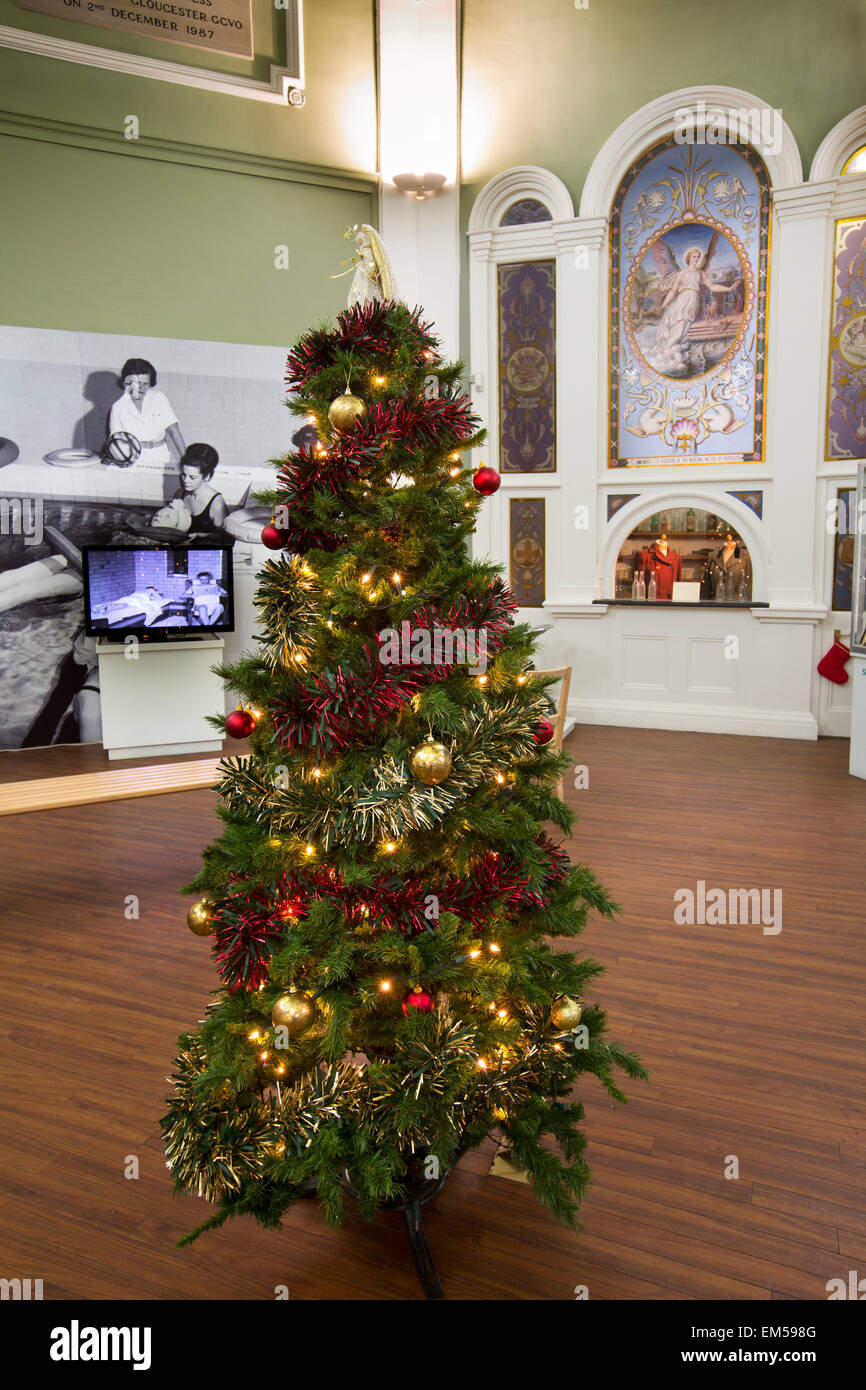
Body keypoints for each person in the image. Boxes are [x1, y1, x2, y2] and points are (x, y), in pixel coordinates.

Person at [108, 358, 185, 467]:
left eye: (145, 384)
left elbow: (174, 431)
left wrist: (186, 460)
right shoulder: (118, 407)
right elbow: (116, 442)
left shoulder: (159, 398)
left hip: (160, 456)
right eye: (137, 383)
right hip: (131, 459)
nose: (141, 388)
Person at [171, 443, 227, 535]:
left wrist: (202, 536)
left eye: (192, 477)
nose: (185, 480)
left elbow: (225, 536)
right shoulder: (179, 494)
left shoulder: (216, 503)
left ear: (206, 476)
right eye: (183, 475)